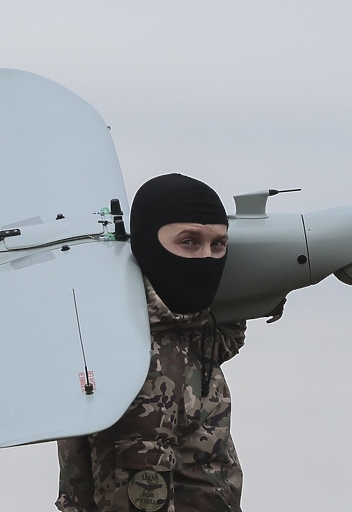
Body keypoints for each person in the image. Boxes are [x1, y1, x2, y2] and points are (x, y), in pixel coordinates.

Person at [56, 173, 247, 512]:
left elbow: (215, 341)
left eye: (218, 244)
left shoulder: (172, 333)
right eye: (189, 242)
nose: (206, 258)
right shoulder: (140, 367)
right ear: (147, 246)